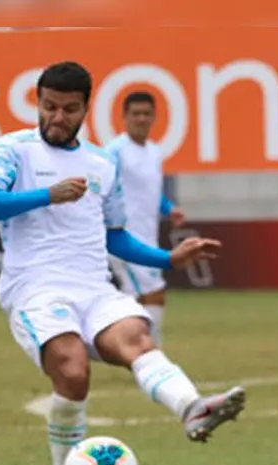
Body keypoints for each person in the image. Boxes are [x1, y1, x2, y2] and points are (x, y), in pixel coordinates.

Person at [0, 61, 245, 465]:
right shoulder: (12, 150)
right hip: (35, 288)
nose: (56, 117)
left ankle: (192, 408)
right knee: (73, 372)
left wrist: (168, 259)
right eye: (49, 106)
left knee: (137, 339)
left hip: (94, 286)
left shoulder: (101, 163)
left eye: (68, 109)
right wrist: (45, 195)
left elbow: (115, 234)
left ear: (85, 109)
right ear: (38, 101)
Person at [106, 91, 187, 346]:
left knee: (135, 298)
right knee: (153, 292)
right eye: (135, 114)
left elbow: (149, 192)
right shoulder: (114, 152)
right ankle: (152, 353)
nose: (141, 119)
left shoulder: (154, 151)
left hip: (148, 238)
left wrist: (168, 208)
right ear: (124, 118)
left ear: (154, 117)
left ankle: (131, 349)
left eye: (146, 114)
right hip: (125, 239)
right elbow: (103, 191)